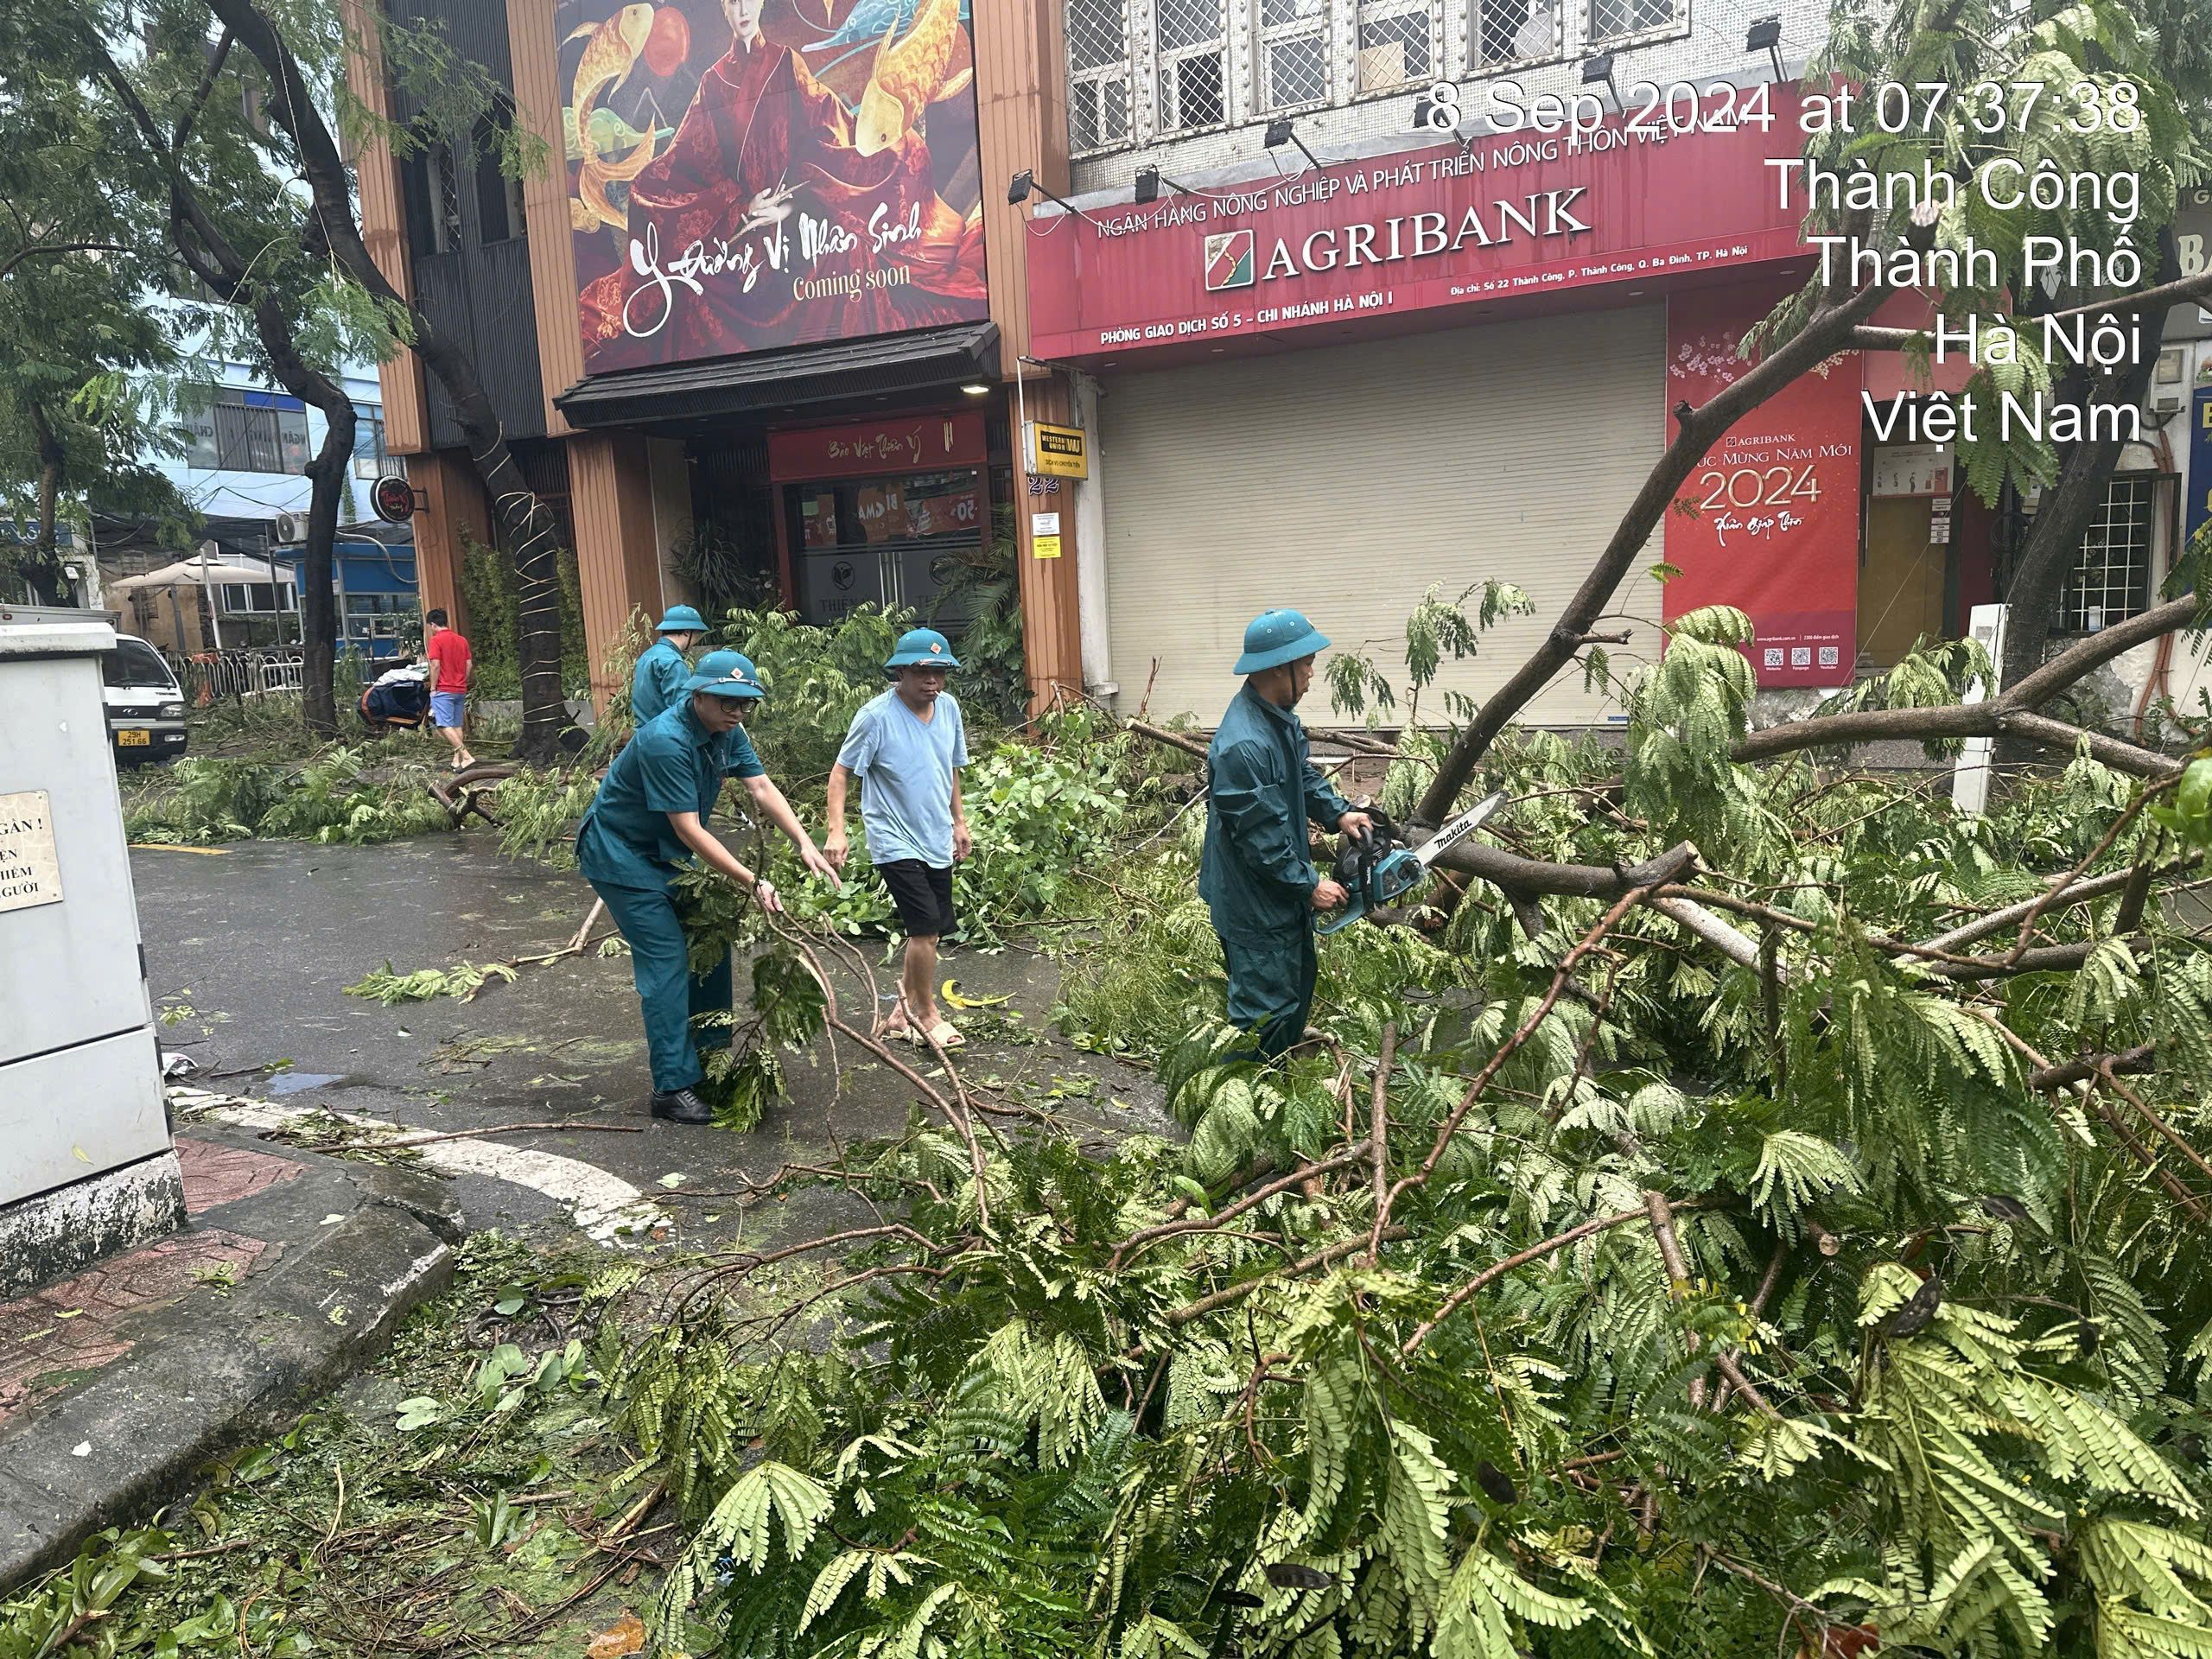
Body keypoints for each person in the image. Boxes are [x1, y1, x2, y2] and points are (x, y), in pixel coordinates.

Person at [579, 649, 839, 1124]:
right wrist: (752, 880)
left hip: (672, 856)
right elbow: (691, 830)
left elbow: (760, 788)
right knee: (667, 959)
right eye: (727, 702)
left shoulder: (728, 730)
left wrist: (805, 841)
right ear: (698, 694)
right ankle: (672, 1087)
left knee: (712, 946)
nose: (737, 712)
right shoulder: (665, 741)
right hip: (622, 855)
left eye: (745, 704)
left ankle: (712, 1065)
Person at [1199, 610, 1373, 1059]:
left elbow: (1303, 776)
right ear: (1280, 667)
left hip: (1276, 893)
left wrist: (1340, 814)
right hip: (1254, 901)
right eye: (1308, 663)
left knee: (1294, 990)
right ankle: (1238, 1108)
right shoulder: (1245, 745)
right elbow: (1263, 840)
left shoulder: (1278, 719)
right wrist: (1309, 884)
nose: (1313, 674)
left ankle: (1277, 1079)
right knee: (1263, 1013)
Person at [823, 627, 971, 1048]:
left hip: (935, 834)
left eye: (940, 672)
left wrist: (958, 822)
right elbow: (841, 772)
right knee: (924, 929)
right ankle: (926, 1015)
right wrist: (837, 831)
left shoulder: (949, 709)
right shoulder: (876, 716)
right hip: (894, 838)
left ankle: (899, 1014)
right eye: (922, 671)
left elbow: (952, 768)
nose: (933, 681)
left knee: (933, 932)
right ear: (900, 672)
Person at [632, 605, 709, 723]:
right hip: (665, 735)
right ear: (687, 632)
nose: (696, 640)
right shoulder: (673, 662)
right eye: (697, 634)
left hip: (643, 733)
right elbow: (682, 710)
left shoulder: (647, 655)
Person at [423, 608, 474, 772]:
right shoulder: (461, 640)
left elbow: (435, 665)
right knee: (456, 724)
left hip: (444, 689)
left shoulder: (436, 641)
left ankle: (466, 756)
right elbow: (469, 665)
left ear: (432, 625)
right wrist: (462, 681)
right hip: (460, 688)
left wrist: (433, 687)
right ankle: (456, 761)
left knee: (443, 725)